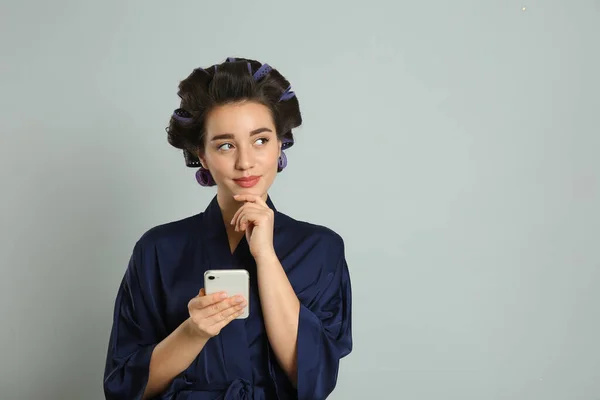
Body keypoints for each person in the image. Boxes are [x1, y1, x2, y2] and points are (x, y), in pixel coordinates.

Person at [103, 57, 353, 400]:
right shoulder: (158, 249)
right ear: (202, 156)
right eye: (225, 145)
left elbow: (312, 377)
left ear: (280, 144)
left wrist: (265, 256)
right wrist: (193, 331)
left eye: (261, 140)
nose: (245, 161)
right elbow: (124, 387)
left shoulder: (321, 248)